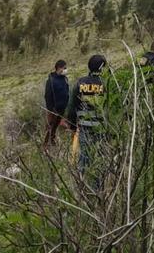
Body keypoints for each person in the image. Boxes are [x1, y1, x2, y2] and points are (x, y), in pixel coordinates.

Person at [65, 55, 108, 184]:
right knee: (100, 157)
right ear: (102, 67)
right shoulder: (106, 83)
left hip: (84, 128)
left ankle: (82, 186)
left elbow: (72, 107)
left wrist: (72, 126)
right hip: (101, 128)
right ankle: (98, 188)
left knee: (84, 156)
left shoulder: (80, 83)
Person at [43, 60, 69, 147]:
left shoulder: (65, 79)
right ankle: (45, 146)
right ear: (59, 68)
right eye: (64, 68)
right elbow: (47, 96)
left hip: (62, 109)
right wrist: (51, 109)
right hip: (53, 110)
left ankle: (53, 143)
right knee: (49, 127)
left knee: (55, 127)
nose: (66, 70)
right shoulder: (51, 80)